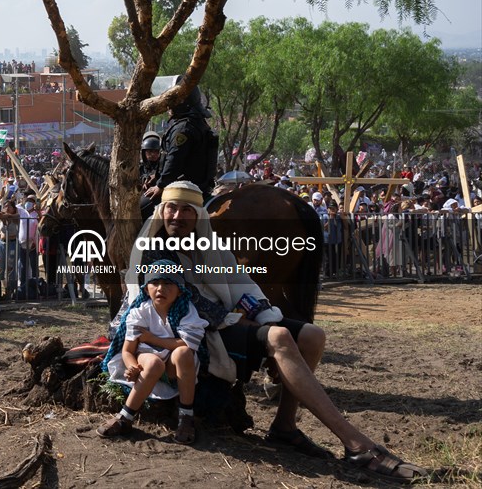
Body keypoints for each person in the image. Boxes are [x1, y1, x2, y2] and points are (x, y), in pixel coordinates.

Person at [131, 180, 426, 483]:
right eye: (171, 207)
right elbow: (187, 304)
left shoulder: (208, 246)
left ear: (197, 215)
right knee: (279, 337)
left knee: (313, 336)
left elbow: (240, 283)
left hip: (226, 322)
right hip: (194, 334)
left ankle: (284, 426)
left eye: (185, 209)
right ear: (161, 211)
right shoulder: (156, 250)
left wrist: (261, 311)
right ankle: (357, 445)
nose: (177, 216)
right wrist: (244, 321)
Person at [98, 269, 207, 443]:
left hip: (174, 368)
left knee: (184, 353)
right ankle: (125, 416)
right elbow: (128, 350)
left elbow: (188, 344)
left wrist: (151, 338)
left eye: (168, 283)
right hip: (147, 361)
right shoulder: (140, 311)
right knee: (154, 363)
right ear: (146, 289)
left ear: (179, 289)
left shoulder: (186, 310)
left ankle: (186, 416)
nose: (160, 289)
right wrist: (132, 366)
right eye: (155, 283)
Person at [142, 81, 219, 217]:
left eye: (171, 101)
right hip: (200, 185)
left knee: (138, 210)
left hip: (183, 188)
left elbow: (174, 160)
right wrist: (157, 176)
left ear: (180, 103)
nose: (168, 106)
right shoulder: (197, 122)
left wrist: (160, 185)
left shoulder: (182, 129)